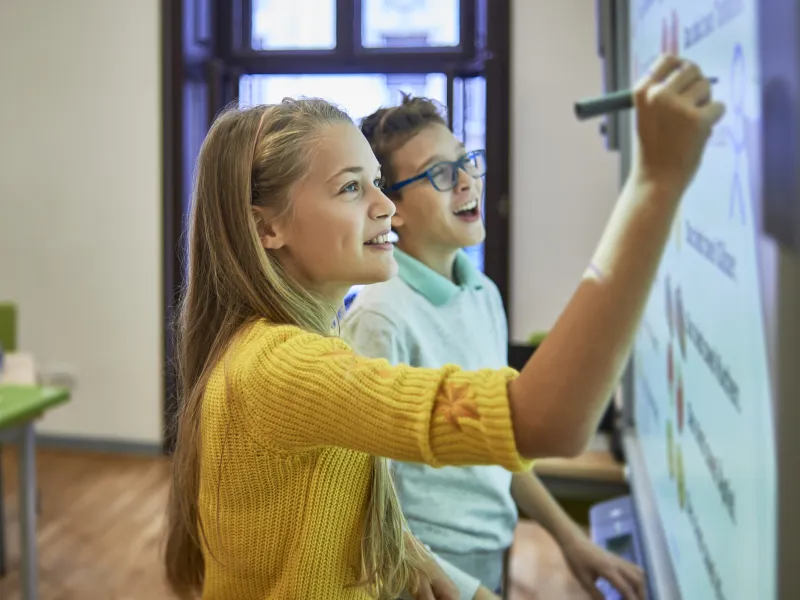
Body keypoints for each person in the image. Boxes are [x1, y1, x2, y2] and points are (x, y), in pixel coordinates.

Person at [163, 54, 724, 600]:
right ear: (267, 230)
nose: (385, 206)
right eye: (350, 188)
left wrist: (415, 555)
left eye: (377, 181)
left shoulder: (294, 346)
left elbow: (330, 509)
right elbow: (545, 421)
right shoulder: (284, 364)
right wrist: (656, 182)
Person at [341, 94, 646, 600]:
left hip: (490, 554)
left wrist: (570, 539)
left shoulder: (482, 293)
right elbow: (367, 509)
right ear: (391, 210)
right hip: (422, 576)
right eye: (440, 173)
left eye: (466, 160)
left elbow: (499, 442)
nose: (466, 181)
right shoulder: (379, 318)